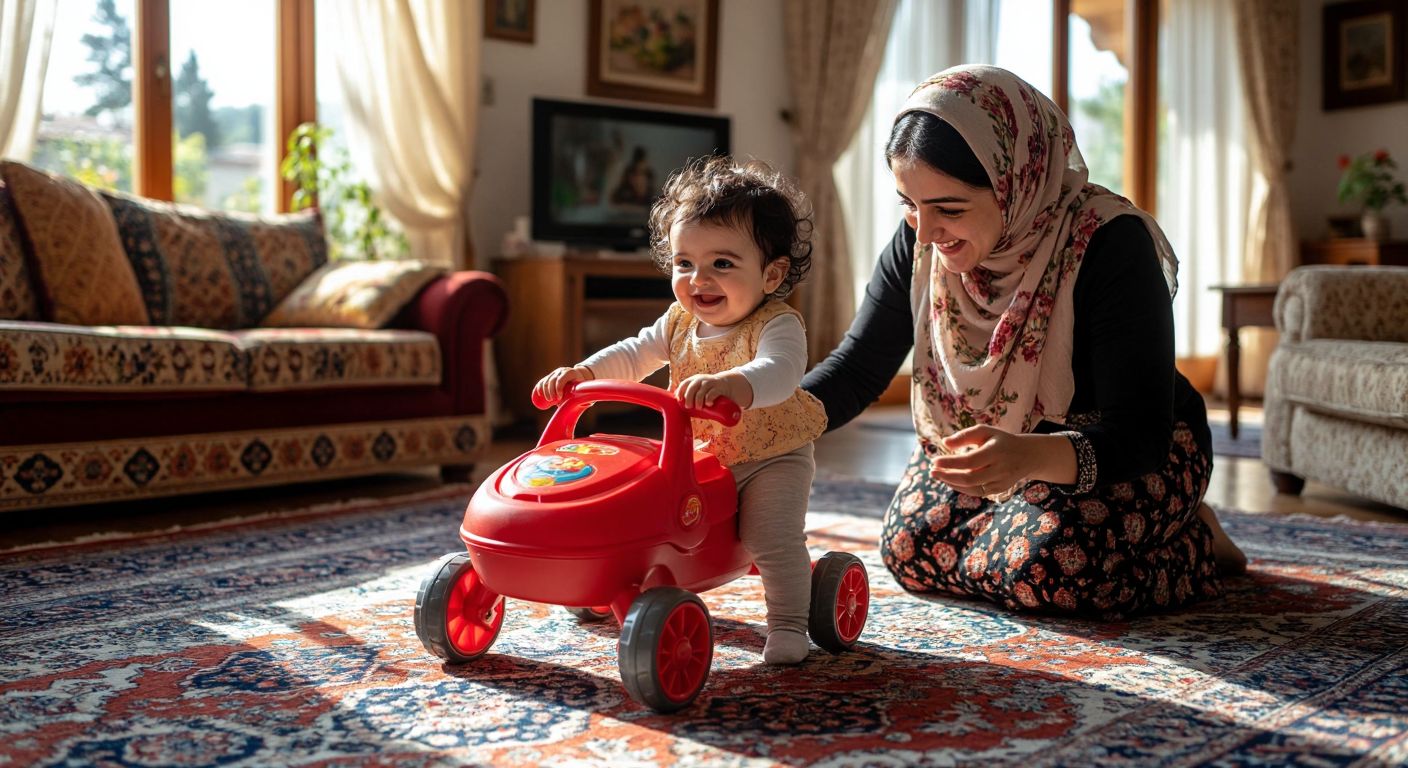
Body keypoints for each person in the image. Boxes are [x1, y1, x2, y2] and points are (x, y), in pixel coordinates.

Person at [801, 65, 1245, 620]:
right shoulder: (919, 238)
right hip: (995, 445)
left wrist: (1029, 456)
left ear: (1016, 182)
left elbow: (1140, 435)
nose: (927, 231)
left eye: (950, 208)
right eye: (908, 204)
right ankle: (1026, 533)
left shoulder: (1109, 243)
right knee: (908, 549)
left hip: (1125, 452)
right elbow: (860, 367)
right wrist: (762, 419)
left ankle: (1199, 539)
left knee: (1049, 572)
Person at [535, 156, 826, 663]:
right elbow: (633, 353)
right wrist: (584, 373)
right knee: (637, 511)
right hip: (700, 457)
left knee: (767, 536)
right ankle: (608, 582)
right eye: (684, 263)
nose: (699, 280)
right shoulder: (677, 323)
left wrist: (735, 383)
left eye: (722, 264)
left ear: (772, 273)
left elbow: (781, 373)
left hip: (770, 457)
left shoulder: (778, 324)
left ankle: (789, 624)